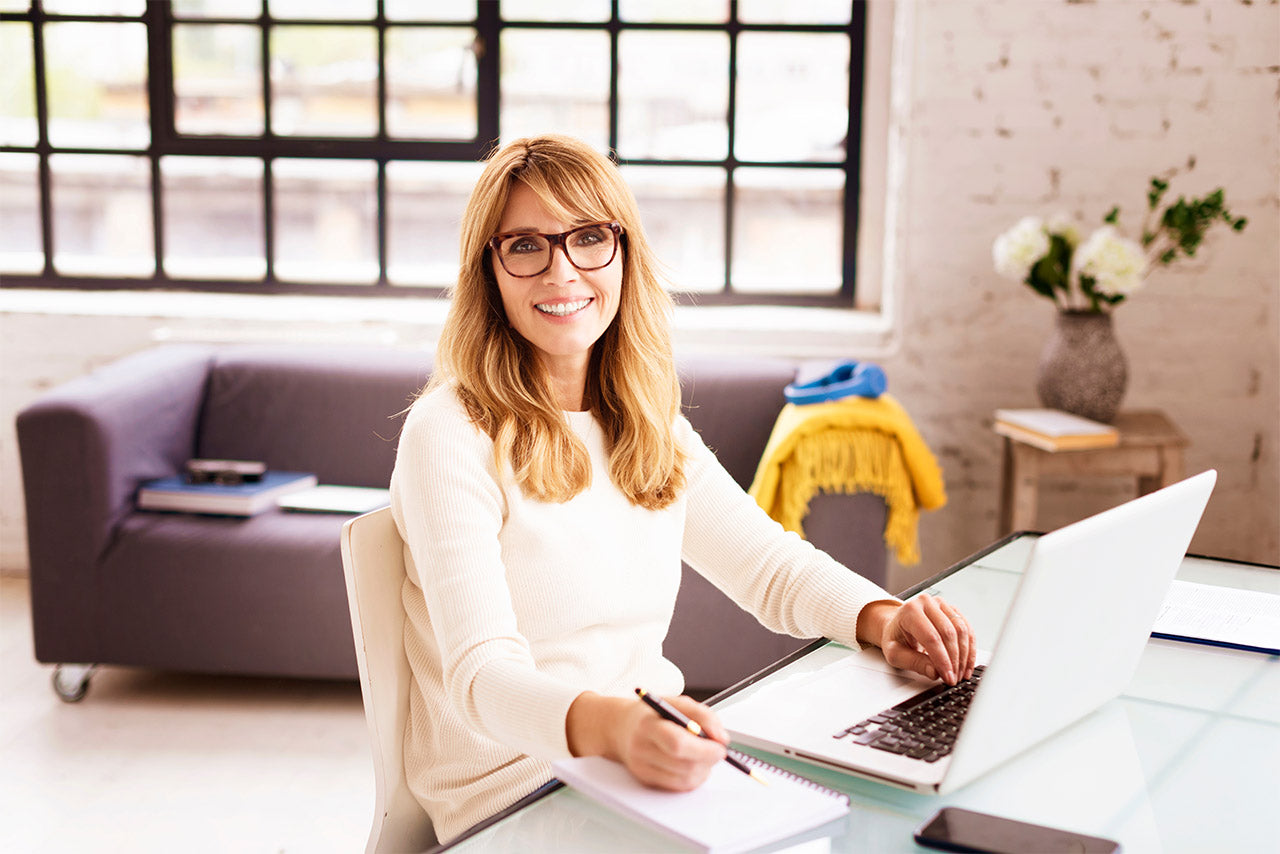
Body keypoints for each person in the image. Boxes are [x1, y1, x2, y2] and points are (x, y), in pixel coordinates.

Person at [389, 134, 976, 843]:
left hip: (647, 764)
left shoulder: (642, 419)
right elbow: (481, 677)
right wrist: (616, 726)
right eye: (525, 246)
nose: (562, 271)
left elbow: (769, 567)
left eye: (587, 238)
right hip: (515, 797)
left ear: (624, 251)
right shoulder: (449, 430)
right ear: (489, 270)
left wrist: (882, 618)